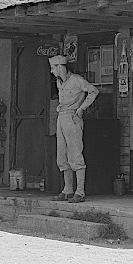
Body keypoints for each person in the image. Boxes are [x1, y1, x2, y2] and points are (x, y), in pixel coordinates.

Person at [48, 54, 99, 203]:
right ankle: (67, 190)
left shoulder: (77, 80)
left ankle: (80, 192)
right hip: (62, 117)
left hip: (72, 118)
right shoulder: (59, 83)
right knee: (62, 155)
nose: (52, 71)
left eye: (53, 68)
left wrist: (82, 108)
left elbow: (93, 91)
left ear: (60, 67)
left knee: (75, 154)